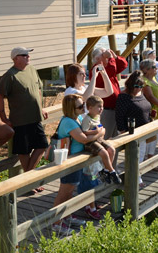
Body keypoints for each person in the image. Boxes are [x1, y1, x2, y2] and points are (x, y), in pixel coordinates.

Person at [51, 94, 105, 234]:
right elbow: (84, 139)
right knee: (64, 192)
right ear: (71, 109)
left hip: (77, 160)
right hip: (69, 161)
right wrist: (100, 133)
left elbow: (90, 133)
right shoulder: (69, 121)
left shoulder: (78, 118)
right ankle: (56, 223)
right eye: (80, 106)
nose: (84, 108)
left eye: (84, 105)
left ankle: (67, 216)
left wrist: (97, 132)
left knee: (70, 191)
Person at [0, 47, 49, 191]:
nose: (28, 57)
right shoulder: (10, 75)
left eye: (28, 54)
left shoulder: (31, 69)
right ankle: (30, 182)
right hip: (19, 120)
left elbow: (37, 88)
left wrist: (41, 107)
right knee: (24, 151)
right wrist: (4, 118)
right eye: (24, 55)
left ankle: (27, 180)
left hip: (35, 117)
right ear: (16, 58)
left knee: (42, 145)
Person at [114, 71, 153, 186]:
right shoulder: (124, 97)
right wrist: (123, 131)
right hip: (131, 132)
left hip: (144, 130)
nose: (139, 88)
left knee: (141, 154)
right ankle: (135, 178)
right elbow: (119, 116)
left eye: (141, 86)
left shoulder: (140, 93)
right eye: (136, 86)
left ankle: (136, 175)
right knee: (134, 155)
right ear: (130, 85)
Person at [90, 47, 128, 141]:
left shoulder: (109, 67)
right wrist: (110, 58)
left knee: (115, 139)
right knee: (106, 139)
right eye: (104, 55)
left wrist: (115, 57)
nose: (107, 56)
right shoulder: (96, 70)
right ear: (98, 59)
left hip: (115, 109)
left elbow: (124, 65)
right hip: (106, 111)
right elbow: (111, 70)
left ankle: (112, 155)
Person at [81, 95, 121, 183]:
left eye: (102, 106)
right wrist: (96, 131)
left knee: (111, 150)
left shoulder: (97, 116)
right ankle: (112, 171)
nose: (101, 109)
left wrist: (99, 131)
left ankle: (106, 170)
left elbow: (99, 127)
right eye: (99, 107)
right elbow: (84, 132)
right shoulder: (87, 119)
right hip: (90, 142)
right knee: (104, 153)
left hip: (98, 139)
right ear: (90, 108)